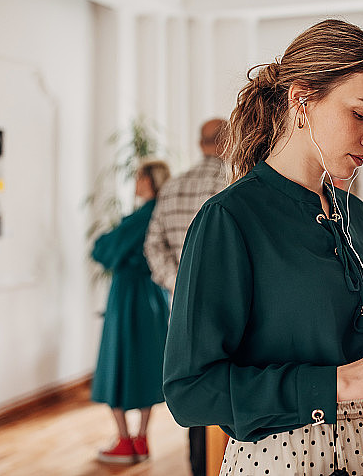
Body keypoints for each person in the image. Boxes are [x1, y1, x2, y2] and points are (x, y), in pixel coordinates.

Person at [162, 19, 363, 476]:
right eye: (360, 114)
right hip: (286, 462)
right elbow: (191, 392)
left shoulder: (358, 216)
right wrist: (339, 383)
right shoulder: (229, 219)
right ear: (302, 99)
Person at [143, 118, 227, 476]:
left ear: (199, 143)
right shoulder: (232, 184)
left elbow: (153, 245)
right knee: (225, 390)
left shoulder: (173, 186)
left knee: (195, 387)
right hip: (225, 305)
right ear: (229, 142)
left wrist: (178, 282)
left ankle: (197, 466)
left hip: (183, 307)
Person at [91, 159, 171, 464]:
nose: (135, 182)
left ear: (150, 181)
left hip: (128, 296)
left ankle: (125, 441)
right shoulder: (162, 211)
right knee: (147, 362)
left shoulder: (142, 216)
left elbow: (103, 249)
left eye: (139, 177)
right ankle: (141, 438)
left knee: (118, 362)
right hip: (154, 294)